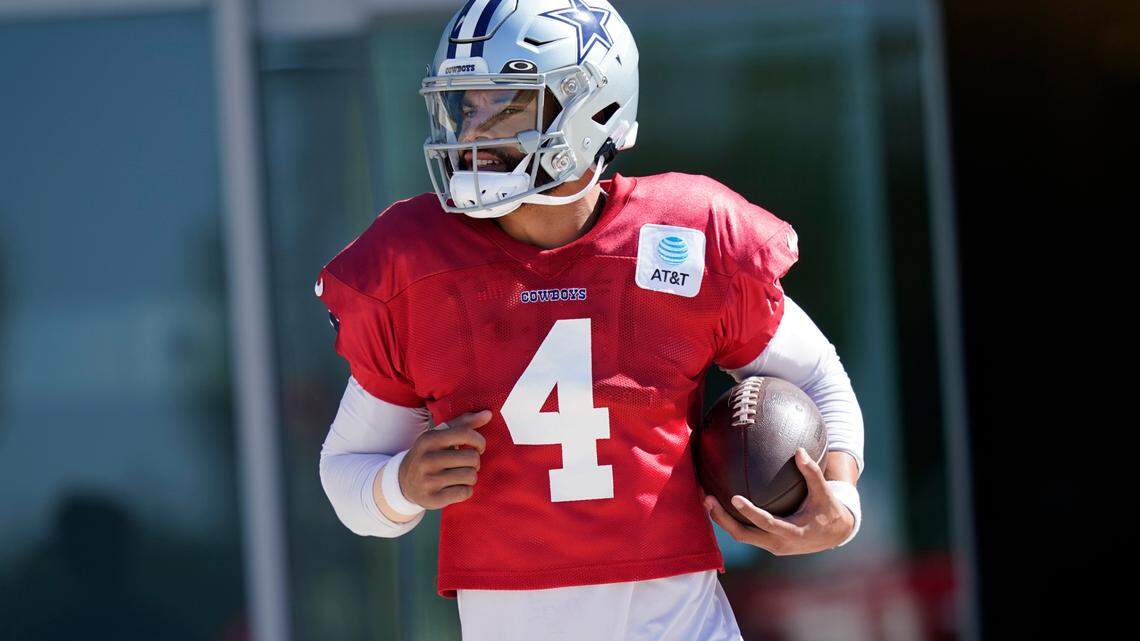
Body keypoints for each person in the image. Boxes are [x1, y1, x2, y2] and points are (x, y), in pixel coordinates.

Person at [316, 1, 865, 639]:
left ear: (592, 107)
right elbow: (347, 475)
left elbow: (819, 378)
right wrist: (402, 483)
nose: (471, 131)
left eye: (507, 104)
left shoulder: (686, 234)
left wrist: (839, 501)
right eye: (466, 105)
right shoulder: (414, 262)